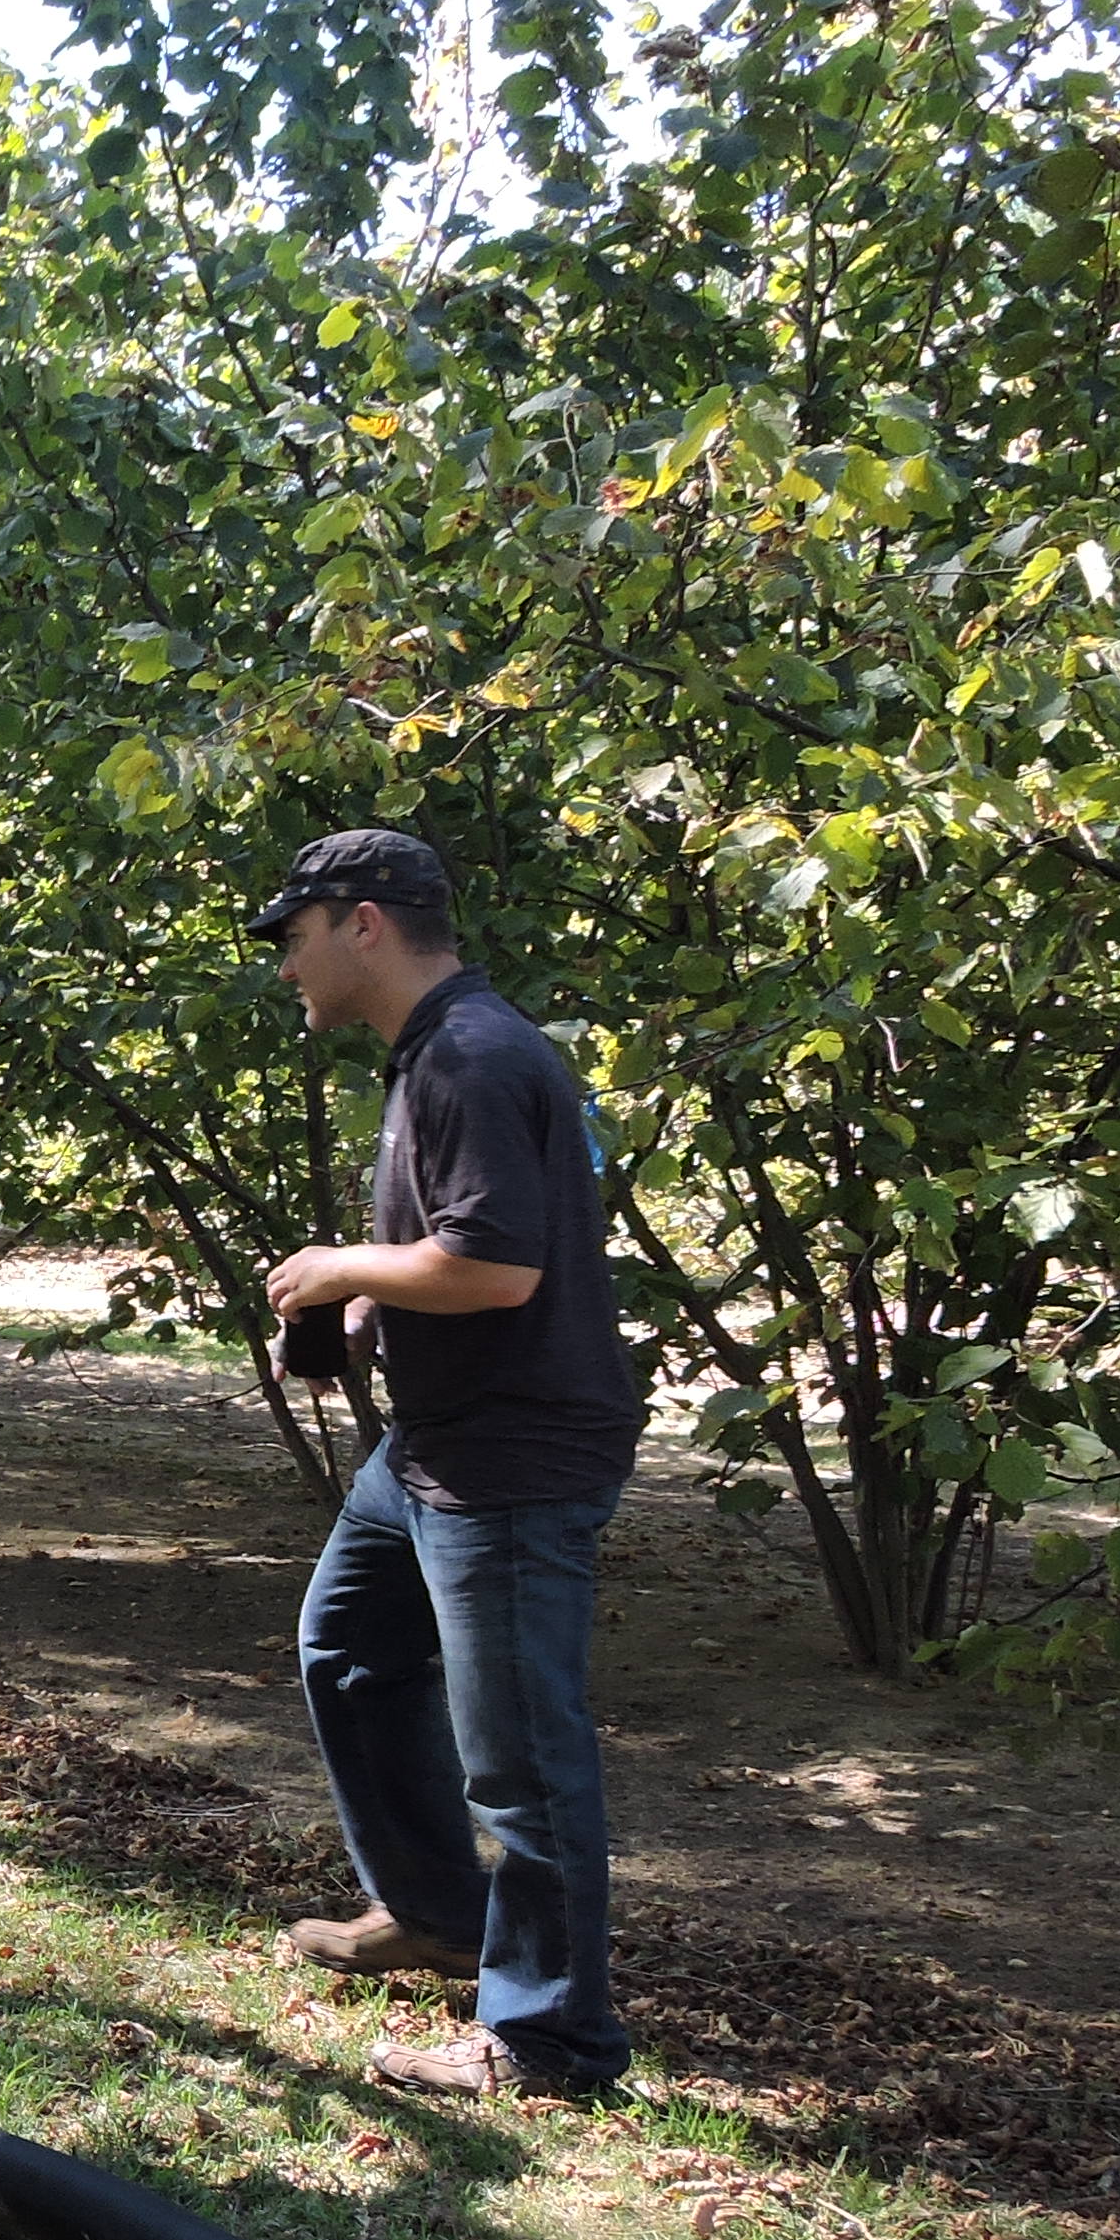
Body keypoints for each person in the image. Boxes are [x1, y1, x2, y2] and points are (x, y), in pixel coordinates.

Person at [247, 828, 643, 2101]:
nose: (286, 966)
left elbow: (499, 1270)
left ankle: (549, 2040)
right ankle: (427, 1910)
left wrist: (337, 1271)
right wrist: (377, 1304)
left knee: (522, 1757)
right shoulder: (444, 1051)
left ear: (362, 923)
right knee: (350, 1649)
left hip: (513, 1459)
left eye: (292, 936)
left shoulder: (470, 1054)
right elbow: (471, 1260)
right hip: (434, 1446)